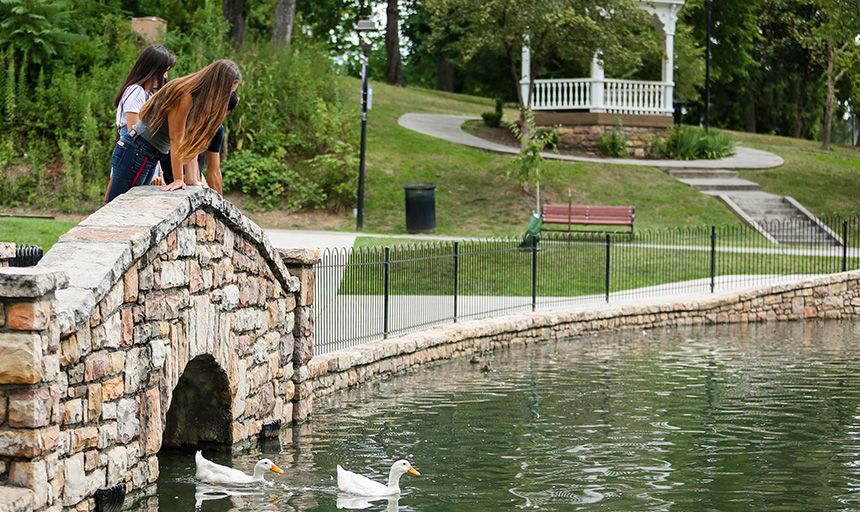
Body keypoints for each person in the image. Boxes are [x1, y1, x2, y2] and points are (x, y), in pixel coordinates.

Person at [106, 59, 241, 202]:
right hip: (137, 151)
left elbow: (189, 141)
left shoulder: (198, 98)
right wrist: (178, 179)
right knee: (120, 204)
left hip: (150, 154)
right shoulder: (185, 93)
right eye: (227, 92)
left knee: (134, 207)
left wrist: (193, 179)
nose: (226, 97)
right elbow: (176, 137)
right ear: (218, 84)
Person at [105, 45, 177, 200]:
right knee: (124, 202)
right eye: (163, 71)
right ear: (152, 70)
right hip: (134, 155)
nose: (165, 76)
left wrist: (159, 172)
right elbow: (135, 133)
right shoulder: (135, 91)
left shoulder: (150, 95)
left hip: (147, 157)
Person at [159, 91, 238, 195]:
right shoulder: (187, 116)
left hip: (192, 181)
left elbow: (214, 171)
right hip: (168, 179)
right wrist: (161, 175)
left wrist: (219, 205)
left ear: (226, 112)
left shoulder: (217, 129)